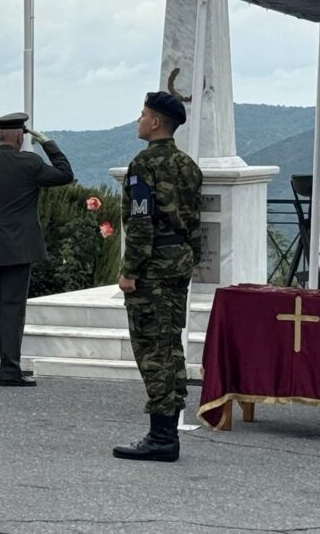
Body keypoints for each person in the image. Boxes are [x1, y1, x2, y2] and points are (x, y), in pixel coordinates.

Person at [112, 91, 203, 463]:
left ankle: (162, 437)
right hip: (177, 263)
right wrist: (189, 258)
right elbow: (194, 222)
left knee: (153, 351)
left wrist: (130, 271)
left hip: (152, 269)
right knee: (170, 347)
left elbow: (141, 222)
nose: (138, 120)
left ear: (155, 122)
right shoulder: (188, 165)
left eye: (142, 115)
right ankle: (166, 430)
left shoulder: (144, 164)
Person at [0, 112, 73, 387]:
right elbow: (65, 174)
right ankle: (9, 371)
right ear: (20, 137)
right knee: (12, 310)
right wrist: (49, 144)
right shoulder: (30, 163)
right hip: (18, 250)